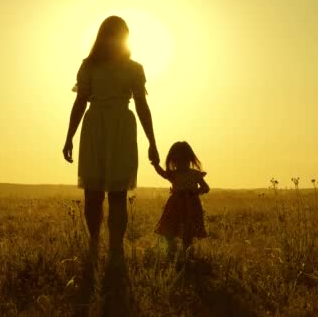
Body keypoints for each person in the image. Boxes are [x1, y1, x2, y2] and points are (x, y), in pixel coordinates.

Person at [63, 16, 160, 266]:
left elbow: (142, 105)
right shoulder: (89, 66)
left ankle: (113, 248)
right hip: (98, 126)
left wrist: (152, 141)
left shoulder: (133, 68)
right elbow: (80, 102)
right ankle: (97, 244)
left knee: (114, 193)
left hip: (116, 127)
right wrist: (69, 136)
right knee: (95, 192)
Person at [153, 141, 209, 260]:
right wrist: (155, 164)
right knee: (170, 230)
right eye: (176, 161)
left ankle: (186, 255)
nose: (179, 164)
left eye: (181, 161)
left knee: (187, 233)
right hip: (176, 205)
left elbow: (206, 188)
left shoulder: (195, 174)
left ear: (188, 159)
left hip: (190, 205)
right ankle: (171, 252)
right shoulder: (175, 174)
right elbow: (162, 173)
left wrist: (194, 192)